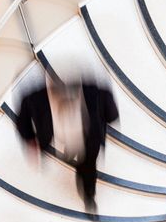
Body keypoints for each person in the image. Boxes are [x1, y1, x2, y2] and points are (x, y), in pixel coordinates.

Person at [14, 74, 118, 211]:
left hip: (88, 139)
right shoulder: (33, 99)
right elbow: (23, 121)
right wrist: (30, 140)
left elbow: (111, 115)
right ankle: (72, 152)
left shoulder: (99, 94)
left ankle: (88, 195)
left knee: (87, 167)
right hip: (64, 133)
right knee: (85, 161)